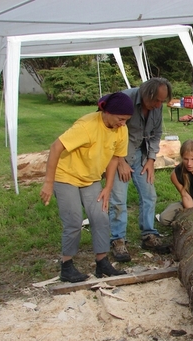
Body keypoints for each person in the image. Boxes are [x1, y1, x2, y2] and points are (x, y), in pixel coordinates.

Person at [40, 92, 133, 283]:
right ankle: (67, 266)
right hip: (66, 176)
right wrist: (48, 183)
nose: (123, 123)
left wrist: (108, 187)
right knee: (73, 221)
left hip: (91, 178)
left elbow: (115, 158)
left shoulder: (121, 129)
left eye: (126, 120)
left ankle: (102, 264)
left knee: (100, 216)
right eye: (120, 119)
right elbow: (55, 147)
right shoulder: (86, 126)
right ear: (107, 112)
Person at [109, 77, 173, 261]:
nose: (159, 104)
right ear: (146, 93)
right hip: (118, 156)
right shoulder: (124, 99)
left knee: (149, 195)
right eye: (156, 100)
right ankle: (118, 240)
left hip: (140, 154)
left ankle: (149, 235)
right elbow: (110, 132)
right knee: (119, 199)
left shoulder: (157, 106)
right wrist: (120, 162)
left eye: (162, 101)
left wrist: (151, 159)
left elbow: (157, 134)